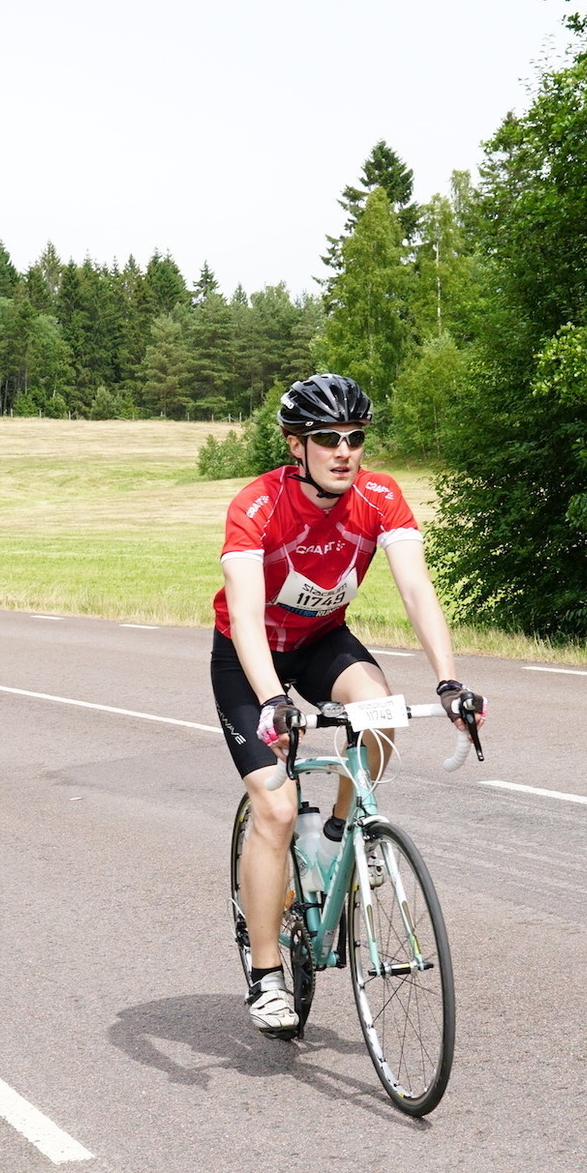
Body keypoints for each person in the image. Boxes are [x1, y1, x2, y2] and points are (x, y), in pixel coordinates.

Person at [212, 373, 485, 1037]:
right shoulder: (259, 505)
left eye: (355, 438)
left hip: (321, 643)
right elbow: (244, 615)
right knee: (276, 809)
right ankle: (267, 975)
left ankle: (340, 834)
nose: (344, 451)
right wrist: (272, 700)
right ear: (295, 444)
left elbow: (417, 589)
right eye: (328, 438)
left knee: (382, 712)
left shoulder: (379, 496)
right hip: (250, 658)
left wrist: (449, 682)